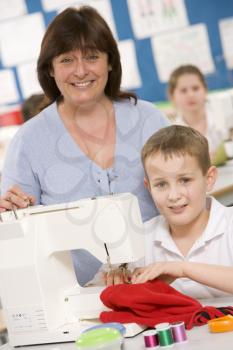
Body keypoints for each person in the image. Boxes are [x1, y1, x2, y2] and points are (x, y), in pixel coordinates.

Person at [0, 6, 168, 286]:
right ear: (50, 69)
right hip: (77, 302)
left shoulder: (149, 119)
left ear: (110, 62)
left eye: (92, 57)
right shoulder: (28, 141)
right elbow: (18, 234)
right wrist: (9, 214)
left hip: (165, 282)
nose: (81, 71)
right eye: (66, 59)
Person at [130, 125, 233, 298]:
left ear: (209, 179)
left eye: (184, 180)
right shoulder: (140, 238)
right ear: (148, 187)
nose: (173, 195)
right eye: (161, 184)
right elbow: (101, 288)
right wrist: (114, 279)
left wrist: (183, 268)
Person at [167, 65, 225, 162]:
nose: (191, 95)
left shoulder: (224, 117)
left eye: (195, 88)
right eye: (183, 90)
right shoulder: (171, 133)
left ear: (205, 90)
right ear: (173, 95)